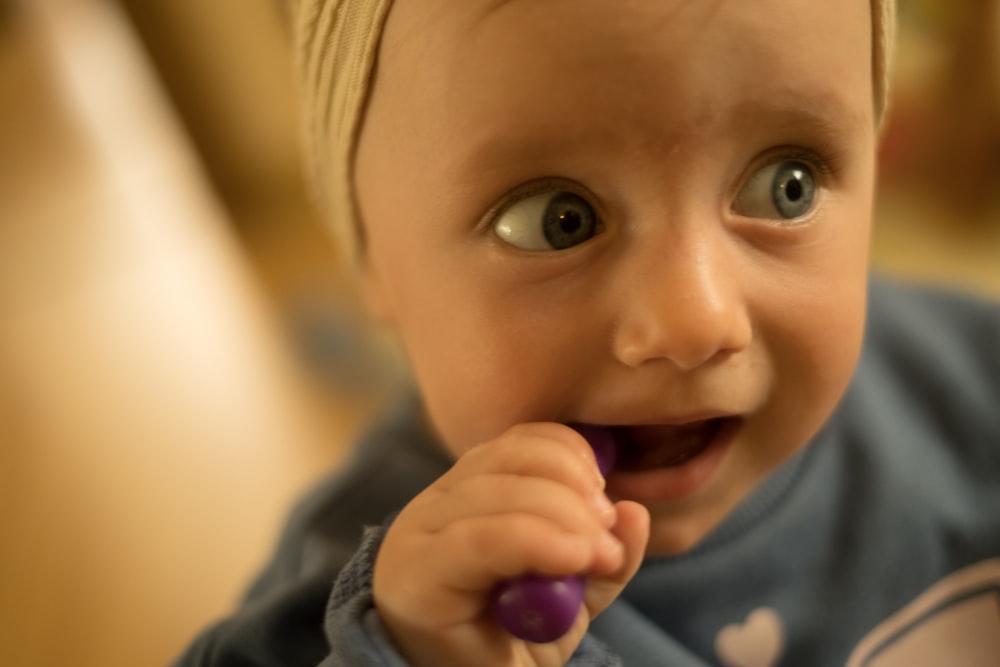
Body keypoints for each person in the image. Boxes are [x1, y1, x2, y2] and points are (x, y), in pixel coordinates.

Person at [173, 0, 1000, 665]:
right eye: (556, 221)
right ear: (375, 267)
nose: (694, 320)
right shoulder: (361, 605)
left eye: (787, 185)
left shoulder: (974, 380)